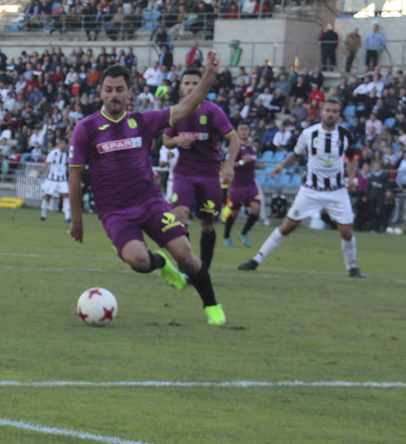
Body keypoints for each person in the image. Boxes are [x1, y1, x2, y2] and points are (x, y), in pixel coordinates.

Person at [68, 56, 227, 326]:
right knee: (139, 261)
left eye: (119, 90)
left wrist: (209, 75)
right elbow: (75, 176)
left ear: (130, 93)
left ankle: (212, 306)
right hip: (116, 212)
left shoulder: (143, 121)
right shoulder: (87, 129)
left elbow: (187, 106)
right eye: (109, 90)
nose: (114, 95)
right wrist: (77, 219)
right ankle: (161, 265)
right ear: (101, 92)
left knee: (186, 256)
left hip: (150, 202)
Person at [238, 99, 365, 278]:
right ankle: (256, 260)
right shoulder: (309, 133)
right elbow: (296, 155)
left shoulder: (345, 135)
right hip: (310, 190)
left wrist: (351, 179)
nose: (331, 114)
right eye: (328, 110)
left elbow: (352, 159)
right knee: (288, 226)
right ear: (322, 111)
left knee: (346, 231)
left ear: (339, 114)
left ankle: (351, 267)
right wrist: (282, 165)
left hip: (336, 191)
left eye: (335, 111)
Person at [161, 67, 240, 272]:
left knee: (207, 225)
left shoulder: (212, 111)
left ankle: (203, 270)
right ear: (180, 88)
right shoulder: (176, 111)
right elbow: (166, 139)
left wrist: (229, 165)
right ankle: (186, 267)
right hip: (183, 173)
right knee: (178, 219)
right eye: (186, 83)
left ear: (202, 87)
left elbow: (234, 138)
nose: (190, 87)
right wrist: (176, 140)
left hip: (209, 174)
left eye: (195, 83)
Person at [222, 121, 264, 248]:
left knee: (257, 209)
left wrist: (257, 166)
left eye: (246, 129)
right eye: (241, 129)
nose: (244, 131)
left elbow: (249, 163)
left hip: (251, 185)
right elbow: (227, 165)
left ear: (249, 131)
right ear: (237, 132)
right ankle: (226, 236)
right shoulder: (235, 146)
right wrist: (241, 162)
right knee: (234, 212)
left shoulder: (253, 147)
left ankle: (243, 233)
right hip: (237, 185)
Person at [39, 137, 72, 222]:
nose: (63, 145)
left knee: (65, 195)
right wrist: (41, 172)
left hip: (62, 179)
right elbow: (47, 163)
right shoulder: (53, 153)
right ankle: (43, 215)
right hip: (52, 179)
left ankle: (67, 217)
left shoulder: (67, 154)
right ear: (58, 144)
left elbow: (68, 166)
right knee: (47, 196)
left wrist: (71, 176)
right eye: (61, 143)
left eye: (64, 144)